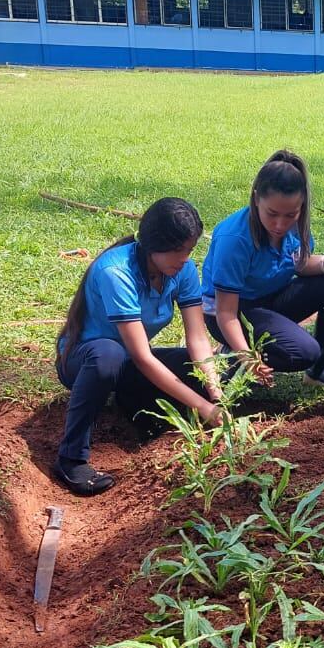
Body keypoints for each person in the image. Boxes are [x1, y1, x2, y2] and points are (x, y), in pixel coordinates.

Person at [54, 198, 223, 496]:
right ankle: (71, 458)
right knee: (109, 355)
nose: (184, 258)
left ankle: (135, 410)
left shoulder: (182, 270)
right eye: (176, 250)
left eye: (189, 249)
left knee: (200, 367)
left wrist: (215, 390)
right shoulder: (116, 272)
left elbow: (197, 337)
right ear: (151, 244)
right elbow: (143, 357)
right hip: (86, 361)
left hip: (129, 360)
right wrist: (202, 406)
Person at [202, 149, 324, 389]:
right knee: (302, 351)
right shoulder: (235, 239)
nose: (280, 224)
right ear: (256, 198)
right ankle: (235, 356)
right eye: (272, 214)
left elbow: (300, 265)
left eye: (291, 214)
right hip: (231, 312)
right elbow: (225, 313)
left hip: (269, 300)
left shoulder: (295, 227)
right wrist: (247, 356)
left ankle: (321, 372)